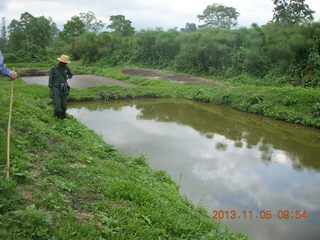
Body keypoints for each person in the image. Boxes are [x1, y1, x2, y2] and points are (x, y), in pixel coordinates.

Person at [48, 54, 73, 119]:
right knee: (58, 106)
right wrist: (51, 91)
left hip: (64, 88)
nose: (65, 64)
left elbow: (71, 74)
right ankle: (57, 117)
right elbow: (50, 81)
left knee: (64, 105)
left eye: (66, 63)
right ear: (60, 62)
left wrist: (67, 77)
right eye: (64, 63)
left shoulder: (66, 68)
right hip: (56, 89)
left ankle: (63, 118)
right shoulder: (53, 69)